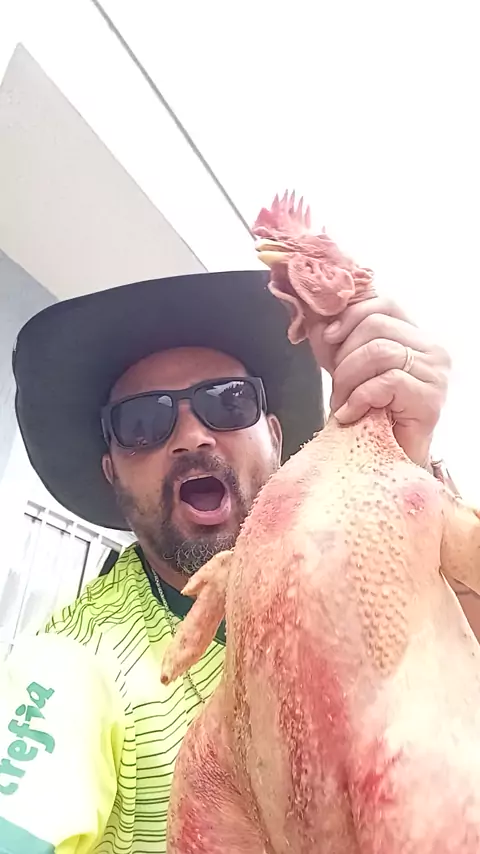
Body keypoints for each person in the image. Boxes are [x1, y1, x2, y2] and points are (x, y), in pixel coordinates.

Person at [0, 269, 454, 852]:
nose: (192, 436)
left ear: (275, 437)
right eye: (142, 422)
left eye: (228, 402)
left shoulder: (359, 592)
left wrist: (408, 466)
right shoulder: (74, 667)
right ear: (113, 472)